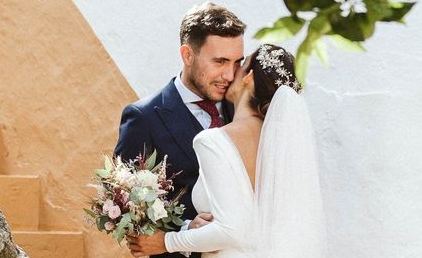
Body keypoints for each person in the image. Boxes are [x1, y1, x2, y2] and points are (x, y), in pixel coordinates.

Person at [127, 44, 327, 258]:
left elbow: (231, 230)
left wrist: (167, 241)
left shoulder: (214, 140)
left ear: (248, 77)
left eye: (240, 66)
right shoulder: (282, 146)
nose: (231, 74)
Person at [114, 3, 247, 258]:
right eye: (220, 61)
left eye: (236, 62)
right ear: (187, 55)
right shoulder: (143, 118)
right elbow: (124, 208)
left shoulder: (242, 110)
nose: (230, 75)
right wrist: (186, 231)